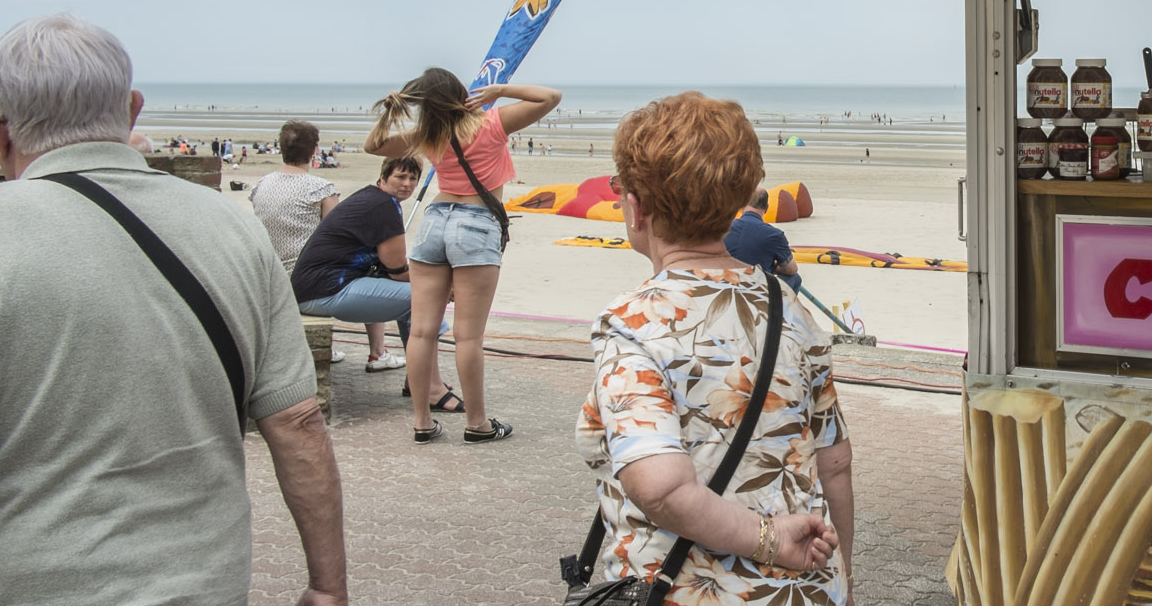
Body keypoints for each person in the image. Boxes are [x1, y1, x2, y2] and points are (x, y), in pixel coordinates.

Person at [0, 14, 347, 605]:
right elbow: (299, 424)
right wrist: (326, 586)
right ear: (132, 109)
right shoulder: (230, 228)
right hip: (205, 587)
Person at [579, 92, 853, 604]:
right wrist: (844, 581)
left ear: (636, 208)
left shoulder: (634, 324)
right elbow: (834, 460)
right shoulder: (792, 311)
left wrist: (769, 540)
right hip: (806, 590)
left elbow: (659, 487)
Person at [366, 68, 561, 443]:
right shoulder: (490, 123)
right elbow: (550, 97)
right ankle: (478, 424)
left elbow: (374, 147)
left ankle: (422, 423)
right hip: (476, 223)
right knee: (468, 336)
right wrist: (501, 89)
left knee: (421, 331)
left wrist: (392, 111)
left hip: (435, 221)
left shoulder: (427, 135)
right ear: (461, 94)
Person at [290, 156, 455, 402]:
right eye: (400, 176)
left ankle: (418, 379)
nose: (407, 184)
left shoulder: (375, 199)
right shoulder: (383, 206)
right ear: (383, 177)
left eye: (413, 178)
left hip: (318, 288)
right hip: (325, 290)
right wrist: (442, 285)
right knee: (425, 298)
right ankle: (429, 388)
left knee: (421, 296)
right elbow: (397, 270)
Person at [250, 120, 360, 363]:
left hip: (268, 277)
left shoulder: (262, 185)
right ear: (314, 151)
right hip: (304, 279)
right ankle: (378, 352)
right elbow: (335, 240)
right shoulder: (321, 189)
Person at [726, 187, 802, 292]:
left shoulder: (722, 228)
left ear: (741, 205)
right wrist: (773, 267)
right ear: (767, 208)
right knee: (794, 278)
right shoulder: (774, 235)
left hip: (726, 285)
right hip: (757, 290)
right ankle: (779, 307)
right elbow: (791, 269)